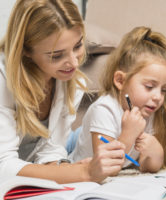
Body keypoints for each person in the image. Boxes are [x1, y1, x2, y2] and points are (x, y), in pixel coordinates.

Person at [0, 0, 125, 183]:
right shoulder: (3, 80)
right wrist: (84, 173)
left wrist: (67, 168)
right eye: (57, 55)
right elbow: (3, 166)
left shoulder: (69, 81)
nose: (74, 63)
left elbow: (51, 150)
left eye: (78, 46)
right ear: (25, 50)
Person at [69, 26, 166, 173]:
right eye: (149, 86)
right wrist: (128, 135)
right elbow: (106, 168)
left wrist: (156, 152)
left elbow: (149, 167)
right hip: (82, 165)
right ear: (120, 81)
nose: (158, 97)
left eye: (163, 89)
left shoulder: (148, 110)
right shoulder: (104, 110)